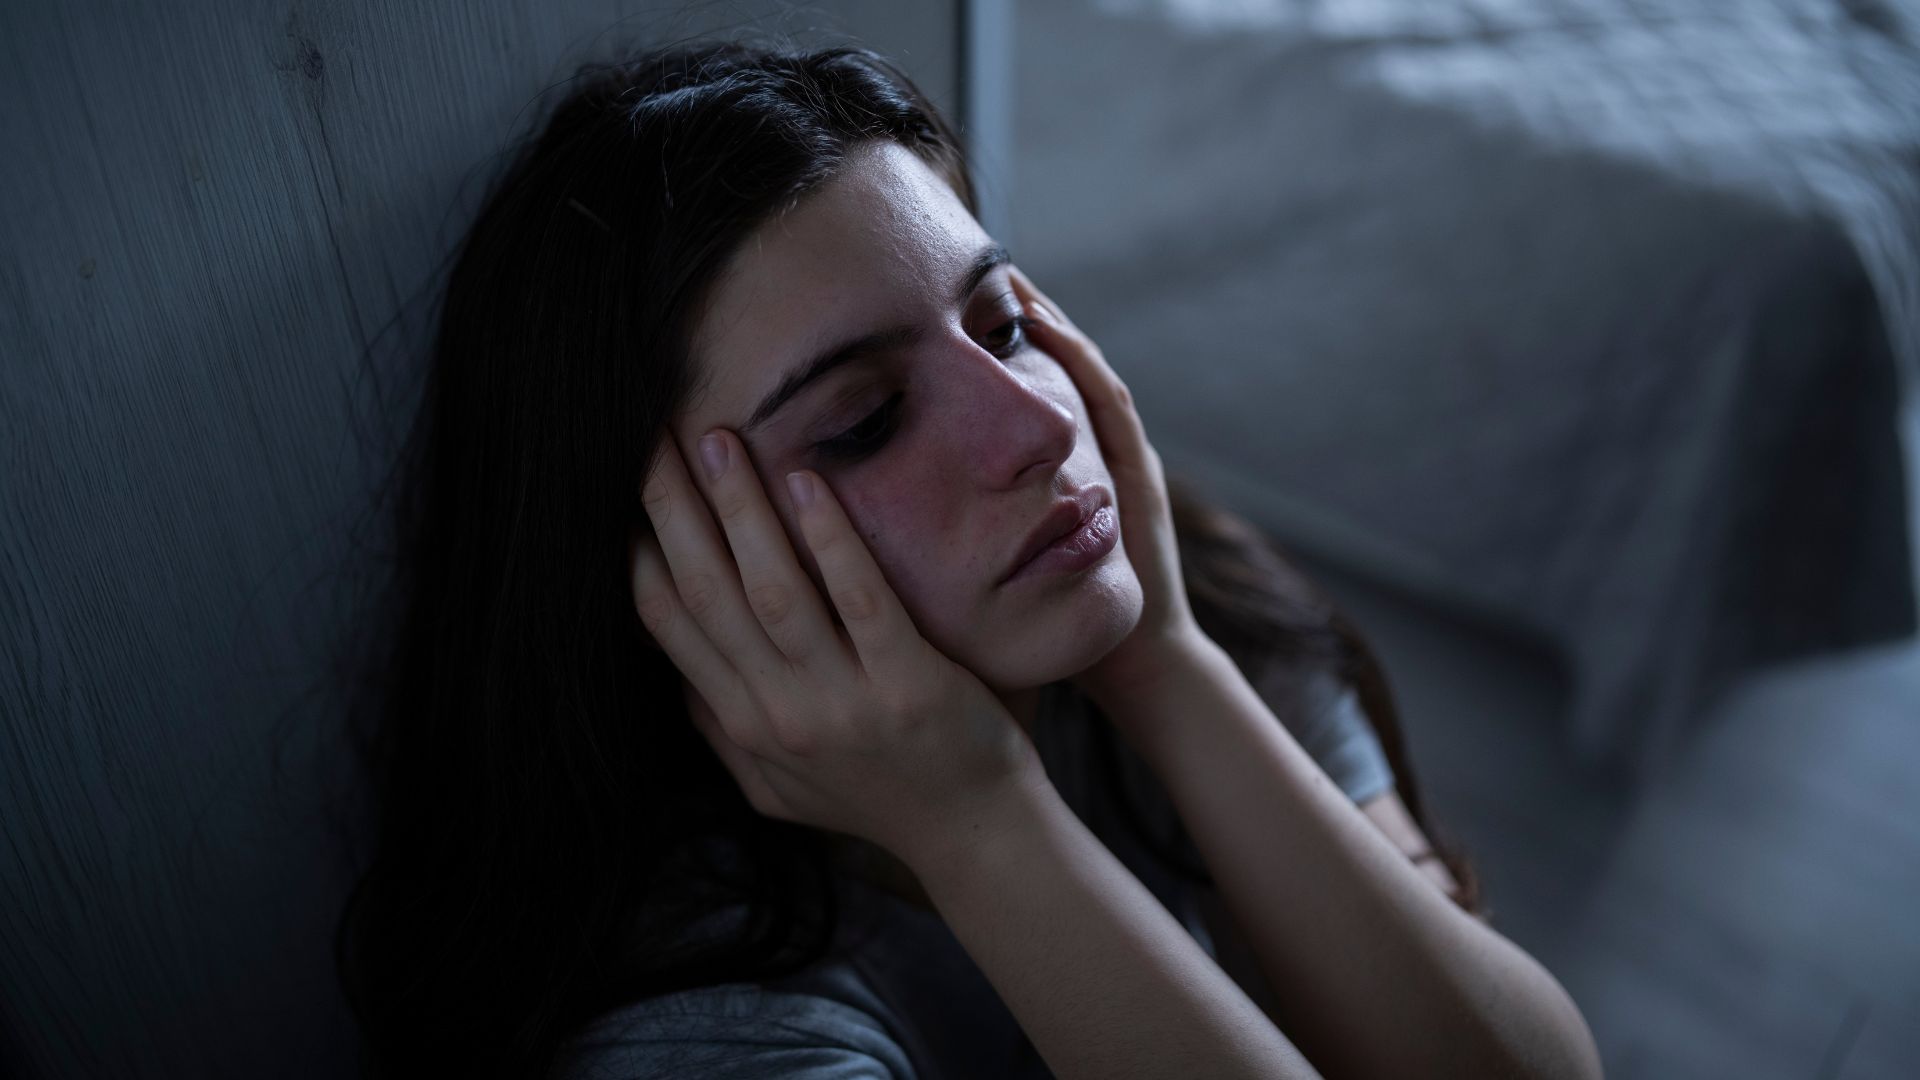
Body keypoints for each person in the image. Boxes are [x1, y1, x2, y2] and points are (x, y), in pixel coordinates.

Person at [335, 38, 1603, 1080]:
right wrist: (978, 825)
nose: (1039, 425)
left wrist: (1166, 662)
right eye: (864, 420)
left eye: (1001, 326)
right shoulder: (710, 1028)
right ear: (680, 577)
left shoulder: (1162, 601)